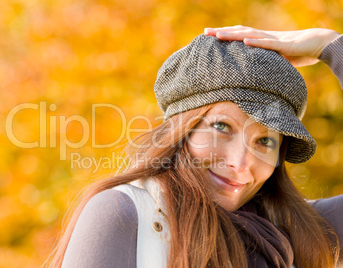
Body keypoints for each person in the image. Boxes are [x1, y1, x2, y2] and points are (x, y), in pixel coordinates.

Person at [47, 26, 343, 268]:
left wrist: (329, 45)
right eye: (221, 127)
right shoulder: (124, 214)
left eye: (264, 141)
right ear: (181, 130)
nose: (240, 163)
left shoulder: (295, 231)